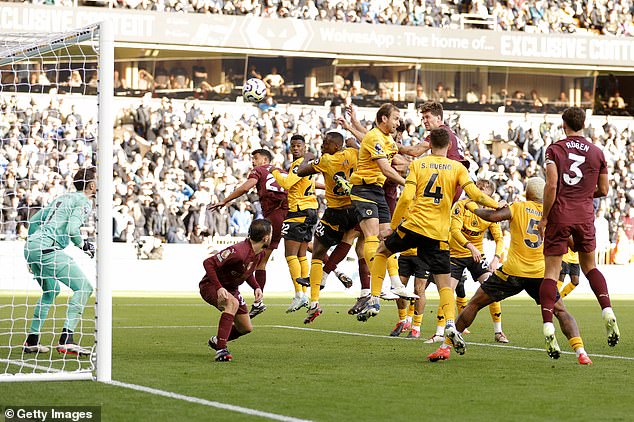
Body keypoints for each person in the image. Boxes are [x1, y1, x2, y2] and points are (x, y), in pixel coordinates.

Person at [357, 129, 500, 362]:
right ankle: (451, 325)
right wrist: (497, 205)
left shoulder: (419, 165)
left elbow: (405, 198)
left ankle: (374, 298)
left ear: (430, 143)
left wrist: (392, 226)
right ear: (449, 145)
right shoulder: (458, 168)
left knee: (382, 251)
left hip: (414, 226)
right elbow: (476, 195)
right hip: (438, 233)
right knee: (445, 284)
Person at [455, 178, 592, 365]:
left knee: (475, 303)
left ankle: (446, 345)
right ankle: (581, 352)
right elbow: (574, 246)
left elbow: (491, 217)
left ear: (527, 192)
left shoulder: (518, 207)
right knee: (561, 311)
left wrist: (471, 207)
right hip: (540, 274)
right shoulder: (552, 214)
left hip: (512, 271)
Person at [537, 107, 619, 352]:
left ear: (564, 124)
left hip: (561, 212)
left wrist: (544, 217)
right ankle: (607, 310)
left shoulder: (555, 149)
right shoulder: (597, 152)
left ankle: (548, 326)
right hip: (584, 214)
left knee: (551, 273)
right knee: (590, 267)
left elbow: (551, 184)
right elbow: (604, 190)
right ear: (583, 124)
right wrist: (583, 194)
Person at [23, 167, 96, 356]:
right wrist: (84, 245)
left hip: (32, 247)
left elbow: (33, 221)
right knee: (84, 288)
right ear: (92, 185)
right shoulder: (85, 202)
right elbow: (72, 229)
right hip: (47, 249)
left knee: (51, 291)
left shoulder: (62, 198)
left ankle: (32, 340)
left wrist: (31, 250)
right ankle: (67, 340)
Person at [208, 149, 288, 319]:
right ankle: (332, 270)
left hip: (275, 214)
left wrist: (225, 200)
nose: (253, 162)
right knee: (305, 247)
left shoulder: (259, 171)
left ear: (265, 159)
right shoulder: (282, 172)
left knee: (261, 260)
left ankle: (259, 301)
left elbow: (246, 187)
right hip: (291, 212)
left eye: (255, 158)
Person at [296, 129, 366, 323]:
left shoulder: (326, 160)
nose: (323, 146)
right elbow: (362, 152)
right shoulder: (354, 153)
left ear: (336, 146)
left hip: (335, 212)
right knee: (349, 240)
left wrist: (308, 157)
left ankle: (316, 299)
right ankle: (332, 279)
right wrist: (353, 144)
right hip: (355, 207)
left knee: (317, 249)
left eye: (326, 143)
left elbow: (301, 172)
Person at [348, 103, 407, 305]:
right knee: (372, 236)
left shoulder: (387, 139)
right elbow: (386, 169)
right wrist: (408, 184)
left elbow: (365, 139)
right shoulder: (375, 137)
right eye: (396, 119)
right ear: (384, 119)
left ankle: (396, 284)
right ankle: (378, 289)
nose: (398, 123)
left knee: (386, 238)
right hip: (363, 189)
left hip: (378, 191)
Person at [201, 219, 271, 362]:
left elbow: (247, 272)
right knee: (232, 303)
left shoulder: (260, 253)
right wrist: (219, 288)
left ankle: (217, 340)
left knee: (246, 327)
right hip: (211, 285)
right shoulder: (238, 251)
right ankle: (221, 350)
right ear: (266, 237)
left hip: (232, 289)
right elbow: (208, 263)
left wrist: (256, 286)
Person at [448, 178, 508, 344]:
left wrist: (496, 258)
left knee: (492, 287)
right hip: (456, 253)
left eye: (484, 189)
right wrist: (471, 247)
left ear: (490, 195)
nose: (479, 191)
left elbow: (499, 238)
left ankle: (498, 332)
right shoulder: (462, 205)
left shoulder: (490, 211)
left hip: (477, 256)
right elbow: (455, 231)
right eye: (478, 187)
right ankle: (443, 330)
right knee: (448, 290)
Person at [271, 135, 318, 313]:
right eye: (293, 146)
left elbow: (287, 183)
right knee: (301, 255)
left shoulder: (299, 163)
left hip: (298, 211)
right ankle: (304, 294)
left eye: (298, 145)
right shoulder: (309, 163)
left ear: (305, 147)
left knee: (290, 255)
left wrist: (275, 171)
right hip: (311, 210)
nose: (295, 148)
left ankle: (299, 294)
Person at [389, 248, 429, 338]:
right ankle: (402, 321)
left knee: (419, 290)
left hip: (423, 256)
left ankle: (416, 327)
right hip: (405, 255)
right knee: (398, 287)